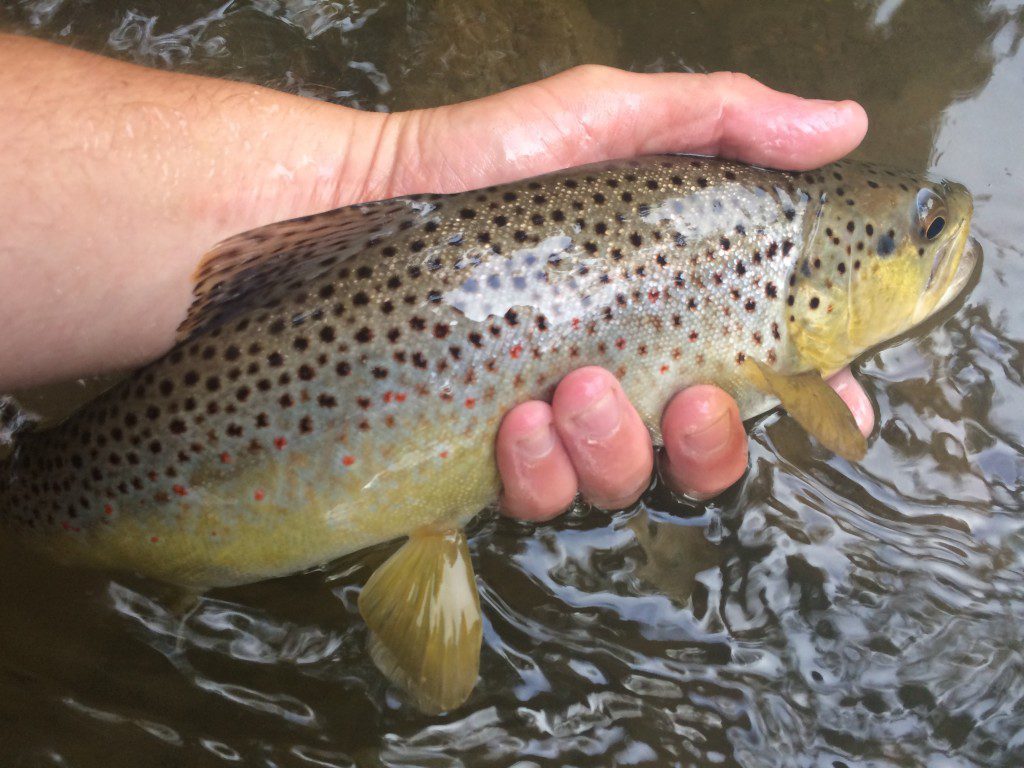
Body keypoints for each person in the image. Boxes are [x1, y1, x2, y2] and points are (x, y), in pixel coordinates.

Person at [0, 34, 874, 522]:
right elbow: (846, 440)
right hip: (95, 482)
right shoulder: (789, 347)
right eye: (924, 233)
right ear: (822, 286)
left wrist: (380, 171)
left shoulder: (767, 271)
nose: (944, 238)